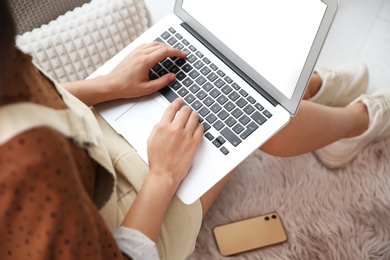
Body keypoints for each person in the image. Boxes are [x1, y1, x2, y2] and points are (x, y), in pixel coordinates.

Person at [1, 0, 390, 258]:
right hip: (135, 216)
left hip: (91, 127)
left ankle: (302, 90)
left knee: (224, 81)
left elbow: (38, 96)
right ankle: (358, 121)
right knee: (250, 114)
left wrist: (109, 85)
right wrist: (163, 175)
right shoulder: (27, 204)